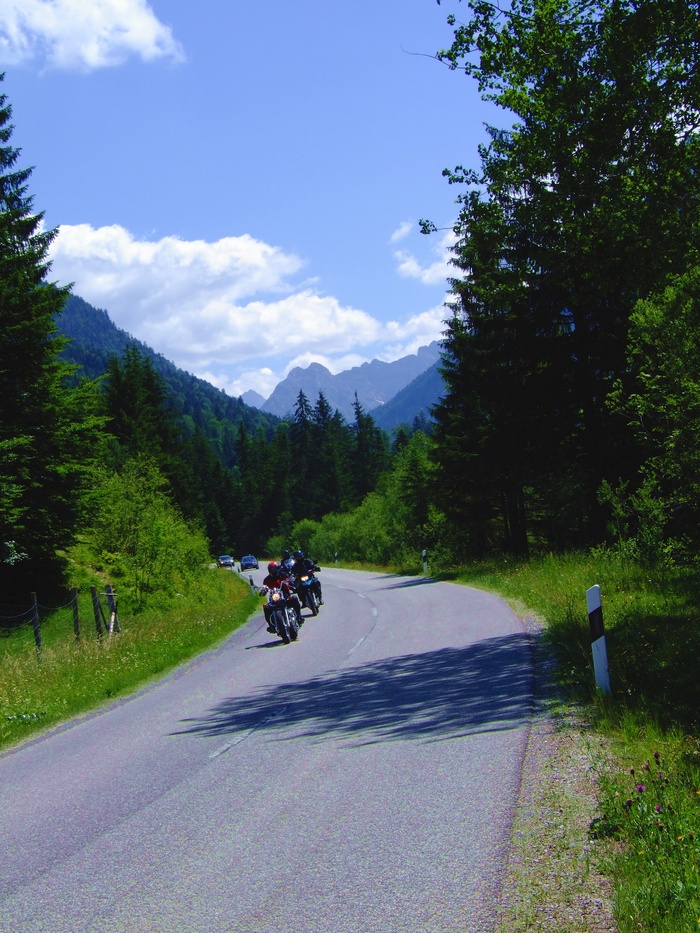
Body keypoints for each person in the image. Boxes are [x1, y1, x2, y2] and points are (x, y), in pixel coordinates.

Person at [260, 561, 302, 633]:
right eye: (273, 569)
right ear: (270, 570)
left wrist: (290, 584)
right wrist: (263, 590)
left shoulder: (282, 575)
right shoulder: (267, 579)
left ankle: (299, 617)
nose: (274, 571)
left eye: (275, 569)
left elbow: (289, 581)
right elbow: (264, 587)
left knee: (294, 598)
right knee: (266, 607)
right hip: (274, 598)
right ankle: (271, 626)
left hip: (285, 595)